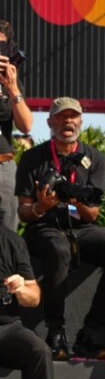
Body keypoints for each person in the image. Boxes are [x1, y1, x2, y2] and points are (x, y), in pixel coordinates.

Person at [15, 97, 105, 360]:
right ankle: (55, 332)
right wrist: (41, 206)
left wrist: (75, 197)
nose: (67, 122)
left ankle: (90, 332)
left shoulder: (96, 158)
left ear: (81, 121)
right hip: (44, 225)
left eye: (72, 116)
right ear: (50, 122)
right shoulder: (33, 158)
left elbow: (93, 214)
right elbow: (23, 213)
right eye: (60, 117)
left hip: (81, 227)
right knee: (58, 249)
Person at [0, 222, 53, 379]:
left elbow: (34, 297)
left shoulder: (12, 241)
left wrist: (20, 288)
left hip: (6, 326)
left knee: (39, 351)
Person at [0, 20, 33, 231]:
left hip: (3, 166)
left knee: (7, 237)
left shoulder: (9, 79)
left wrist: (12, 88)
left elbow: (26, 125)